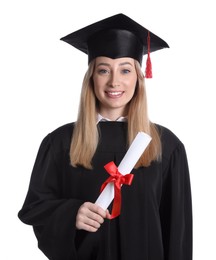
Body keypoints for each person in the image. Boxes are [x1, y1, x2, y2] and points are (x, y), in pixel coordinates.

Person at [18, 13, 192, 260]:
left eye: (125, 70)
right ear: (91, 76)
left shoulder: (166, 146)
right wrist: (71, 214)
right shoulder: (59, 143)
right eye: (103, 70)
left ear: (138, 78)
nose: (114, 82)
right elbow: (35, 209)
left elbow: (178, 234)